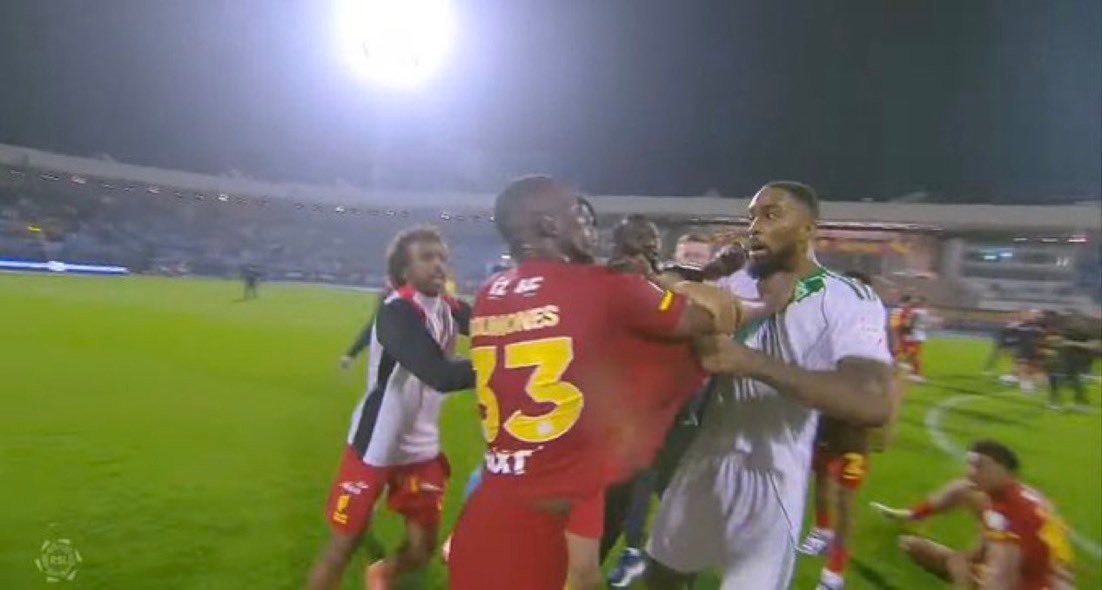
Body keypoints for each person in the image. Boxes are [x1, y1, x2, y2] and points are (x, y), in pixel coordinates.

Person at [447, 176, 742, 590]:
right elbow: (718, 316)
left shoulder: (490, 293)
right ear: (549, 226)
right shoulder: (604, 289)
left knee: (584, 574)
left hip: (513, 478)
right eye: (579, 217)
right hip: (557, 488)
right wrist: (672, 282)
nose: (591, 226)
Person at [646, 181, 895, 590]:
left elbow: (873, 401)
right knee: (662, 576)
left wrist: (750, 362)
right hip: (704, 460)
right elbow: (659, 286)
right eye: (752, 217)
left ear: (808, 229)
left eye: (771, 215)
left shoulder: (847, 297)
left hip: (772, 477)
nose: (755, 227)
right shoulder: (735, 284)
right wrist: (699, 279)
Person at [306, 227, 474, 590]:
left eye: (442, 257)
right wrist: (504, 364)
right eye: (426, 258)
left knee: (423, 548)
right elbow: (439, 374)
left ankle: (382, 573)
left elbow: (497, 329)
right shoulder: (396, 311)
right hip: (377, 444)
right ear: (404, 270)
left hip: (422, 447)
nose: (438, 265)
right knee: (344, 544)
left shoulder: (450, 308)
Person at [871, 440, 1074, 589]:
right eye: (969, 465)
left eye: (979, 466)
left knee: (923, 550)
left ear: (1003, 468)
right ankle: (912, 515)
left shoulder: (1005, 516)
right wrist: (971, 559)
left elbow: (1001, 579)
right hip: (1050, 578)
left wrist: (962, 579)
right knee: (916, 546)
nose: (970, 471)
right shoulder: (1023, 495)